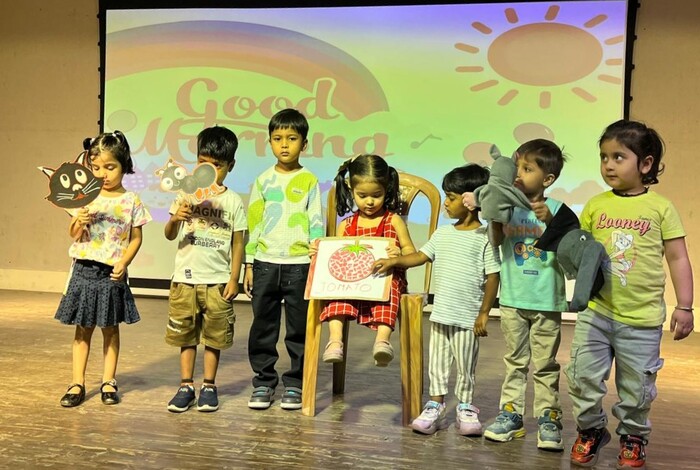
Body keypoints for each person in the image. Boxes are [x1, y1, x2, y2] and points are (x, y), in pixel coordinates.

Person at [567, 120, 694, 469]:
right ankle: (591, 429)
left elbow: (678, 257)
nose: (608, 165)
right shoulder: (595, 205)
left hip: (641, 319)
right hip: (597, 312)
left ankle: (633, 436)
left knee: (637, 387)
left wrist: (685, 306)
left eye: (619, 157)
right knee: (581, 376)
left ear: (646, 164)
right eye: (604, 157)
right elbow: (580, 251)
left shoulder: (660, 208)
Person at [372, 164, 500, 436]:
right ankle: (435, 405)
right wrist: (394, 261)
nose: (446, 204)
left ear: (470, 200)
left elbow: (493, 276)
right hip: (441, 313)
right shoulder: (443, 233)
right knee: (438, 363)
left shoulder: (485, 237)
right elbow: (421, 256)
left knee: (465, 366)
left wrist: (484, 312)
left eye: (451, 198)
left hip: (467, 318)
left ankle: (465, 407)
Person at [464, 139, 570, 451]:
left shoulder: (558, 210)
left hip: (546, 300)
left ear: (547, 178)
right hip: (512, 299)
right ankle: (511, 415)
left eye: (527, 169)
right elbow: (497, 241)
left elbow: (569, 247)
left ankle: (549, 418)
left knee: (545, 363)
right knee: (515, 361)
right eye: (517, 167)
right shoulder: (508, 207)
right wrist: (494, 216)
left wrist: (550, 221)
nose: (518, 174)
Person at [55, 131, 151, 407]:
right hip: (84, 269)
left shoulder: (131, 200)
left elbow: (136, 238)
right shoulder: (85, 197)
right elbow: (73, 234)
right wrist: (79, 220)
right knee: (83, 329)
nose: (103, 174)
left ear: (124, 165)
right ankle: (77, 382)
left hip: (111, 272)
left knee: (110, 328)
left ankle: (109, 381)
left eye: (110, 167)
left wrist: (124, 262)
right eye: (96, 168)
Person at [244, 108, 324, 411]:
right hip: (265, 263)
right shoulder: (263, 180)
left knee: (298, 328)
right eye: (278, 138)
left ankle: (295, 383)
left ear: (304, 143)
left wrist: (316, 258)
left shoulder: (309, 180)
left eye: (292, 138)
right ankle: (263, 381)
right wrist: (249, 263)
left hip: (299, 265)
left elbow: (316, 221)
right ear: (270, 142)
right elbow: (254, 222)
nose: (285, 144)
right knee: (263, 326)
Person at [163, 126, 246, 413]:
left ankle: (209, 385)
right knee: (185, 336)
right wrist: (175, 218)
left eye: (217, 165)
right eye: (202, 163)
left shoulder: (233, 201)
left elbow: (238, 243)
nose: (209, 170)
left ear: (230, 166)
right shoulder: (185, 195)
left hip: (217, 281)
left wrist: (234, 279)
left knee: (214, 336)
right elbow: (169, 234)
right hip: (185, 279)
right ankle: (186, 385)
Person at [318, 154, 416, 368]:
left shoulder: (393, 220)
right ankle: (335, 341)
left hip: (384, 279)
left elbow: (411, 252)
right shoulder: (346, 225)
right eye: (362, 195)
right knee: (337, 294)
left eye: (377, 195)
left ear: (386, 190)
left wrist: (399, 255)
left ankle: (382, 341)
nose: (370, 201)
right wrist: (319, 251)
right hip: (353, 282)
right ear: (351, 190)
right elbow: (336, 254)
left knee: (390, 291)